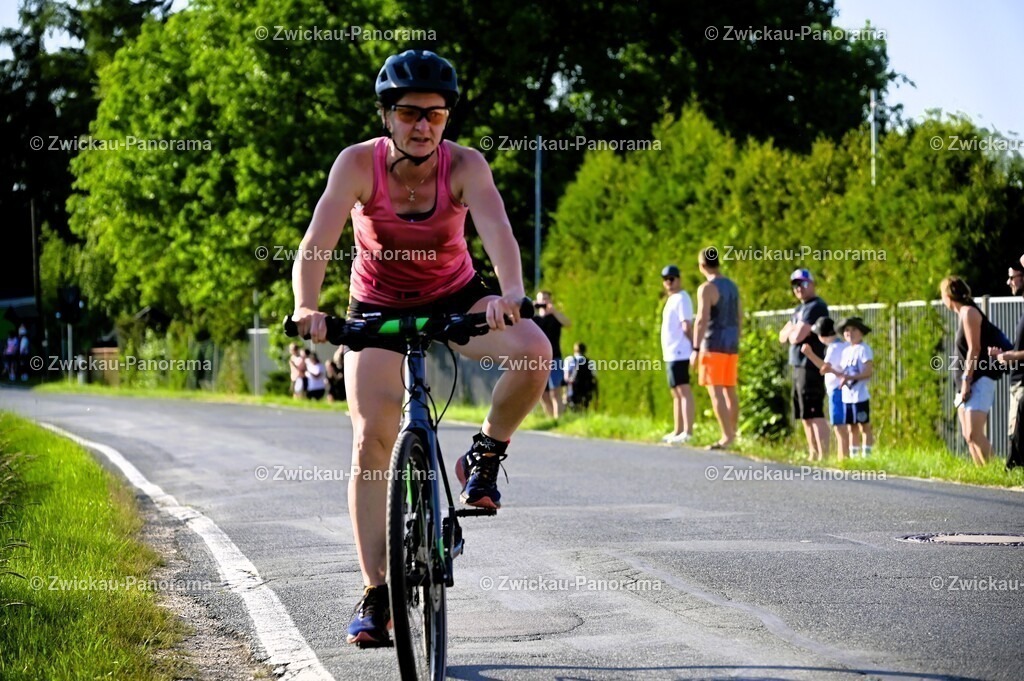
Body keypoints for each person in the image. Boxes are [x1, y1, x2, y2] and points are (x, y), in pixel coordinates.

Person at [289, 50, 549, 647]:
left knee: (534, 351)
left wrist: (510, 292)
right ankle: (375, 592)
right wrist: (308, 306)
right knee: (370, 439)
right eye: (409, 113)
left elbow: (498, 230)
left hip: (456, 298)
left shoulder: (465, 165)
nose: (423, 125)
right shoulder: (358, 164)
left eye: (435, 114)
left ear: (447, 118)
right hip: (376, 310)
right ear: (387, 116)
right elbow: (317, 241)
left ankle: (485, 453)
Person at [941, 275, 1002, 466]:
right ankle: (984, 476)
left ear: (949, 295)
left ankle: (996, 472)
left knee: (974, 433)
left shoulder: (969, 312)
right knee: (969, 436)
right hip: (965, 384)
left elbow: (975, 348)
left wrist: (967, 379)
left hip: (978, 380)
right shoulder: (962, 314)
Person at [691, 247, 741, 450]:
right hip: (731, 344)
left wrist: (695, 348)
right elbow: (739, 316)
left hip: (713, 344)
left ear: (702, 265)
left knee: (716, 392)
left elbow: (702, 319)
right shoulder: (732, 286)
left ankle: (726, 436)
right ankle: (733, 433)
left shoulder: (706, 288)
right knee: (730, 391)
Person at [778, 269, 829, 460]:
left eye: (803, 284)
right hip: (798, 364)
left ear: (813, 284)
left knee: (815, 411)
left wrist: (794, 331)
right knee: (805, 413)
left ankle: (824, 455)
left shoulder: (816, 306)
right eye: (795, 285)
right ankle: (813, 454)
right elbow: (783, 336)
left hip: (811, 365)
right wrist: (793, 330)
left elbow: (795, 337)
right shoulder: (798, 309)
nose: (799, 288)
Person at [988, 260, 1024, 470]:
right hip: (1017, 381)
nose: (1008, 282)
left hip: (1023, 385)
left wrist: (1010, 357)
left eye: (1013, 277)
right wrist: (1004, 355)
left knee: (1017, 432)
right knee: (1014, 431)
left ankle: (1014, 470)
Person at [801, 317, 851, 459]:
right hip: (845, 389)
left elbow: (825, 368)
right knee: (844, 425)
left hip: (836, 390)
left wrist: (810, 354)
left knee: (839, 425)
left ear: (822, 336)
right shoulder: (844, 345)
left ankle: (843, 457)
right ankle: (845, 456)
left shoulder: (833, 348)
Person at [660, 264, 695, 444]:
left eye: (672, 279)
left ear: (679, 279)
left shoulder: (682, 298)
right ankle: (678, 430)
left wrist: (694, 346)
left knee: (684, 390)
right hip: (671, 352)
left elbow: (686, 325)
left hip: (680, 351)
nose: (669, 282)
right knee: (675, 392)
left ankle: (688, 432)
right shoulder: (671, 299)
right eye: (666, 279)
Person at [835, 317, 874, 457]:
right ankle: (854, 455)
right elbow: (844, 372)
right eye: (846, 330)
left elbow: (868, 372)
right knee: (851, 427)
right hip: (848, 397)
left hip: (860, 396)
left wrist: (850, 378)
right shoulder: (845, 352)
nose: (849, 333)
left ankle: (867, 455)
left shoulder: (864, 349)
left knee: (864, 426)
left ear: (861, 332)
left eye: (853, 329)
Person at [533, 290, 571, 419]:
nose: (542, 302)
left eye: (545, 299)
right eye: (540, 299)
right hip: (537, 360)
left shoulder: (555, 318)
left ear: (550, 300)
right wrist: (528, 309)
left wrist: (553, 310)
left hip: (555, 358)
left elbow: (568, 323)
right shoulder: (534, 319)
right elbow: (516, 323)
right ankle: (550, 419)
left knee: (556, 391)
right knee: (541, 394)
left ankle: (558, 419)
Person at [564, 342, 597, 410]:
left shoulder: (570, 360)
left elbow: (566, 378)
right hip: (586, 390)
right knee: (584, 409)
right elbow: (594, 377)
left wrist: (565, 392)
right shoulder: (590, 362)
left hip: (573, 390)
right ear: (585, 350)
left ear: (574, 350)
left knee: (573, 408)